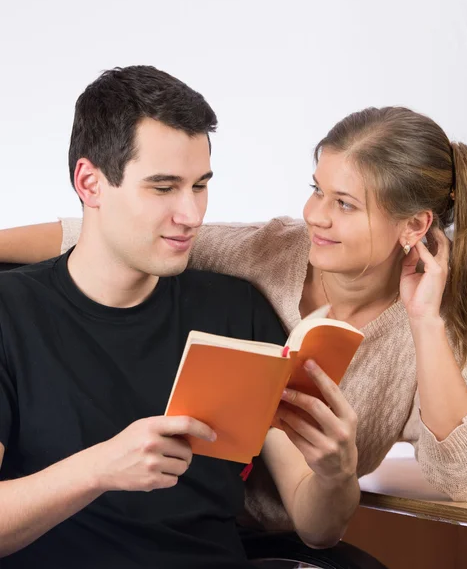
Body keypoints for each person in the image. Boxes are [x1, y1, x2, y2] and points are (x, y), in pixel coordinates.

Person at [1, 106, 467, 531]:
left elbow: (464, 478)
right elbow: (108, 232)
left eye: (344, 204)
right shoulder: (265, 252)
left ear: (415, 226)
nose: (315, 216)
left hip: (284, 523)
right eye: (316, 190)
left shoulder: (442, 322)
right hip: (180, 506)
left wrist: (425, 321)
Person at [0, 66, 361, 568]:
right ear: (90, 183)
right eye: (164, 187)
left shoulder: (235, 310)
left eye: (200, 186)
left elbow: (317, 529)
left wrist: (336, 475)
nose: (192, 214)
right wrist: (100, 468)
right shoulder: (11, 314)